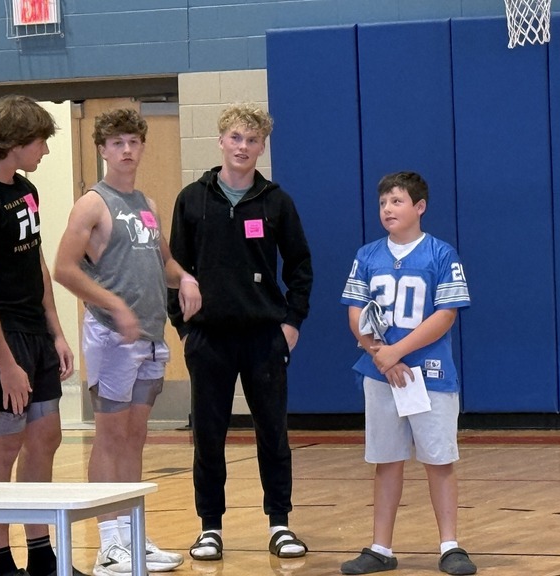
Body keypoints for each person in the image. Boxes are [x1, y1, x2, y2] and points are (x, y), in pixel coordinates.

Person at [52, 108, 200, 576]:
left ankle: (132, 534)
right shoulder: (92, 203)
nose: (127, 150)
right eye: (117, 142)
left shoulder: (146, 204)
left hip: (151, 335)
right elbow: (64, 268)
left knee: (135, 438)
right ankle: (108, 542)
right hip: (112, 337)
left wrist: (187, 278)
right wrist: (113, 306)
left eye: (134, 141)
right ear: (102, 149)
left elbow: (165, 263)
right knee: (110, 438)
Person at [168, 103, 313, 561]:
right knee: (208, 436)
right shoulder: (193, 198)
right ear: (221, 140)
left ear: (262, 147)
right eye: (235, 137)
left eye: (252, 140)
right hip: (208, 339)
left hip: (263, 338)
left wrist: (291, 322)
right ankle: (210, 526)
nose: (242, 147)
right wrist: (183, 329)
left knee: (273, 433)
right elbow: (173, 269)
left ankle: (279, 523)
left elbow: (301, 266)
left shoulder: (276, 201)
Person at [338, 171, 476, 575]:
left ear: (419, 207)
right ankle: (381, 547)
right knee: (386, 459)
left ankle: (450, 545)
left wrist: (398, 351)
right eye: (383, 203)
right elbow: (355, 312)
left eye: (396, 202)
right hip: (380, 373)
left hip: (429, 375)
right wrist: (381, 355)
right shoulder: (367, 256)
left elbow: (446, 314)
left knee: (439, 458)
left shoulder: (441, 254)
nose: (387, 209)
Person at [0, 95, 79, 576]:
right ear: (14, 143)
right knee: (3, 446)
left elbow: (35, 262)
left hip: (36, 333)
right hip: (5, 338)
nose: (45, 153)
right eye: (40, 143)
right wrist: (6, 362)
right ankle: (1, 559)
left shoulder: (26, 188)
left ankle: (41, 554)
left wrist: (56, 330)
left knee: (46, 438)